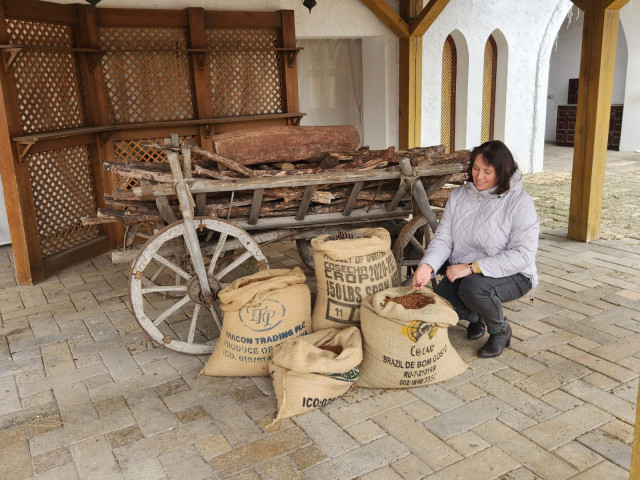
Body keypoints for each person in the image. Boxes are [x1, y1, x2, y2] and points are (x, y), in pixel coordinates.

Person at [412, 140, 539, 358]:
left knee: (473, 288)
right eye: (476, 168)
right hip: (466, 271)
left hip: (514, 274)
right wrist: (427, 266)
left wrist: (472, 267)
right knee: (442, 302)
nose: (479, 176)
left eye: (487, 171)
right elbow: (443, 239)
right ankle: (478, 316)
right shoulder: (460, 196)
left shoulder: (520, 202)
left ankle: (500, 330)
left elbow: (523, 255)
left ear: (502, 172)